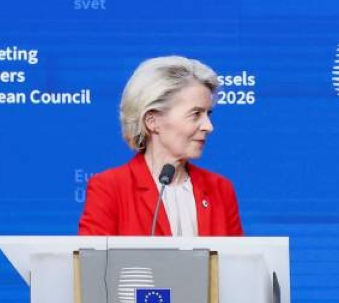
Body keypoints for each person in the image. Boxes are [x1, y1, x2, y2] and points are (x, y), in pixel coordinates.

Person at [78, 55, 243, 236]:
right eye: (196, 114)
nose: (209, 126)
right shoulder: (109, 188)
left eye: (208, 114)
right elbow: (93, 263)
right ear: (152, 121)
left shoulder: (220, 190)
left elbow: (238, 263)